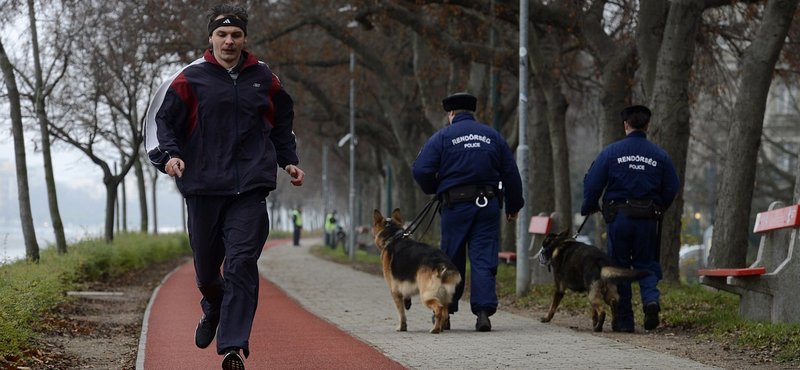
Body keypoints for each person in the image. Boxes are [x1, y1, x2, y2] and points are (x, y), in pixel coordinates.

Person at [143, 4, 305, 369]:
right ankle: (213, 304)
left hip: (249, 188)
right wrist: (168, 158)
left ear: (244, 38)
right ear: (211, 38)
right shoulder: (189, 78)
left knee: (242, 262)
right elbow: (160, 124)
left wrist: (288, 159)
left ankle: (232, 346)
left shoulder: (265, 78)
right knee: (206, 273)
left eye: (235, 35)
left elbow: (282, 123)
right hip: (202, 188)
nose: (229, 41)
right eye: (222, 34)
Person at [412, 92, 524, 332]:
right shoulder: (493, 136)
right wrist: (513, 206)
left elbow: (420, 169)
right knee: (484, 258)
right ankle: (483, 313)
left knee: (450, 259)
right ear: (471, 112)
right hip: (488, 205)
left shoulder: (442, 137)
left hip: (455, 206)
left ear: (451, 113)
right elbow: (511, 174)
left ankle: (445, 314)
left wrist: (436, 189)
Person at [581, 105, 680, 333]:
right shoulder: (660, 155)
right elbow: (672, 186)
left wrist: (589, 206)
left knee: (620, 267)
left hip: (619, 218)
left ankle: (625, 322)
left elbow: (592, 183)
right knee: (646, 263)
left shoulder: (611, 152)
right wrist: (660, 207)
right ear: (647, 126)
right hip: (647, 219)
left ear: (625, 124)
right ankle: (650, 302)